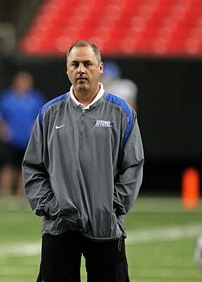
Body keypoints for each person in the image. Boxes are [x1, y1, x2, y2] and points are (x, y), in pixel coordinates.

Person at [22, 40, 144, 282]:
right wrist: (50, 206)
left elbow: (133, 165)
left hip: (105, 227)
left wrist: (111, 207)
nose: (81, 70)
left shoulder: (122, 113)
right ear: (67, 70)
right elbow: (33, 167)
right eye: (74, 64)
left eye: (87, 63)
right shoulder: (49, 113)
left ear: (100, 68)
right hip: (59, 226)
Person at [0, 71, 46, 208]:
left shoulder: (35, 99)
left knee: (25, 169)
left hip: (28, 140)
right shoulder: (7, 98)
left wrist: (36, 129)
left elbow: (42, 115)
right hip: (11, 140)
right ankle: (3, 196)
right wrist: (1, 129)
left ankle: (23, 197)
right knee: (7, 168)